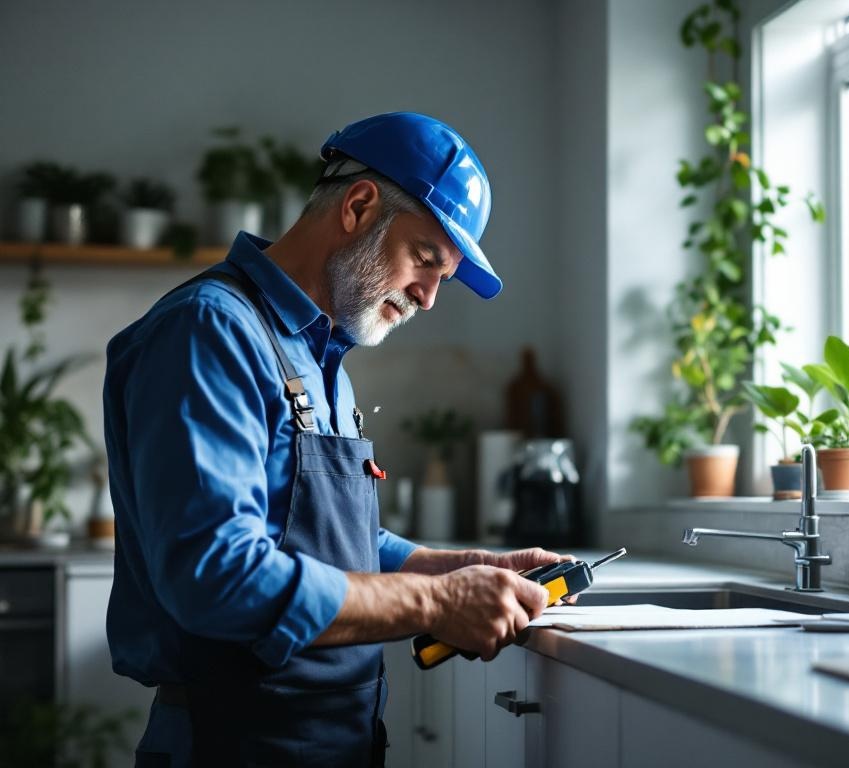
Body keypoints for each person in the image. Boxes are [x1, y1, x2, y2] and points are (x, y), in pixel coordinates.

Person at [103, 112, 563, 768]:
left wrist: (455, 567)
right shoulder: (209, 333)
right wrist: (435, 602)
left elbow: (321, 538)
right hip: (232, 743)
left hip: (331, 740)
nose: (430, 298)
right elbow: (216, 575)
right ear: (358, 205)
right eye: (426, 261)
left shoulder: (323, 358)